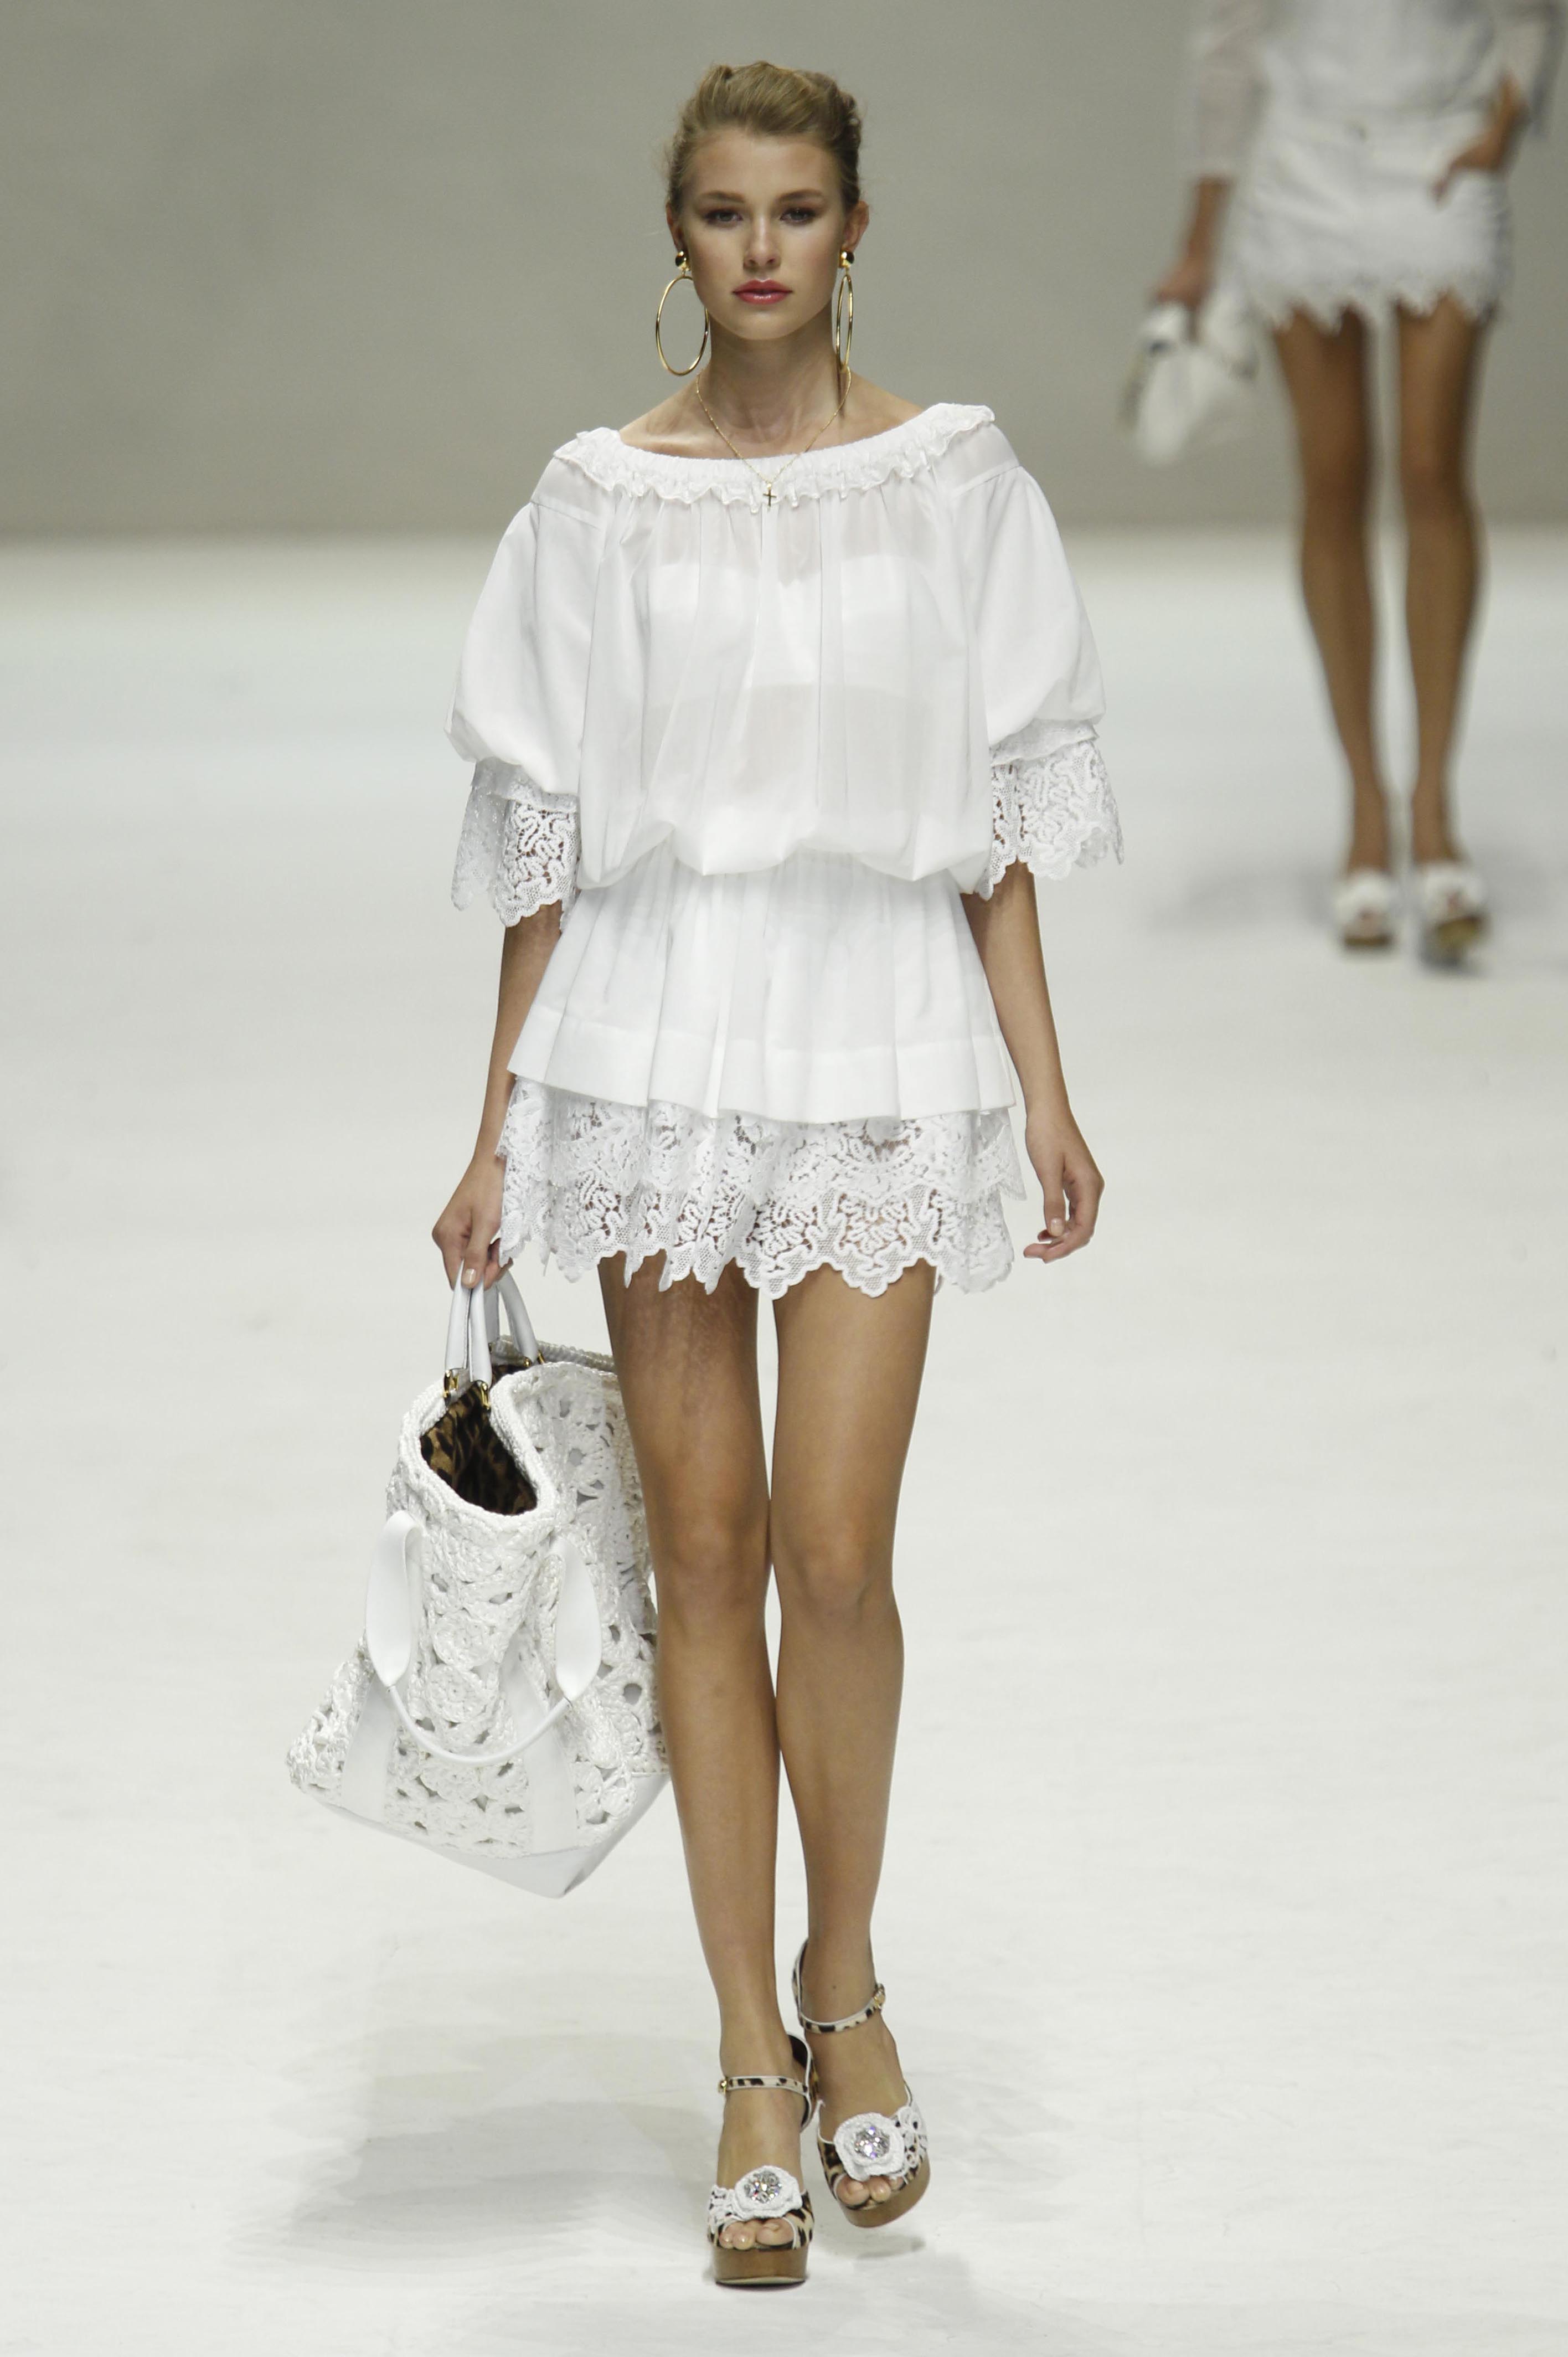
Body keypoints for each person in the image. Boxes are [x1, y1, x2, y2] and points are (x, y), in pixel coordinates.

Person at [433, 60, 1120, 2287]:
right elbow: (548, 846)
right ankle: (748, 2049)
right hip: (647, 1032)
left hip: (877, 1027)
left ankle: (848, 1977)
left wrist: (1044, 1089)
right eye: (725, 210)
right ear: (680, 233)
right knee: (704, 1556)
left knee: (837, 1551)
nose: (759, 248)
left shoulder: (954, 483)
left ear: (851, 229)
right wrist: (494, 1122)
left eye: (797, 209)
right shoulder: (594, 502)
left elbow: (999, 826)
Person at [1158, 0, 1562, 959]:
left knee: (1431, 470)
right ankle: (1368, 810)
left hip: (1440, 152)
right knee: (1333, 480)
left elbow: (1532, 11)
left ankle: (1434, 809)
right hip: (1302, 163)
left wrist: (1506, 121)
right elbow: (1227, 42)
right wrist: (1199, 240)